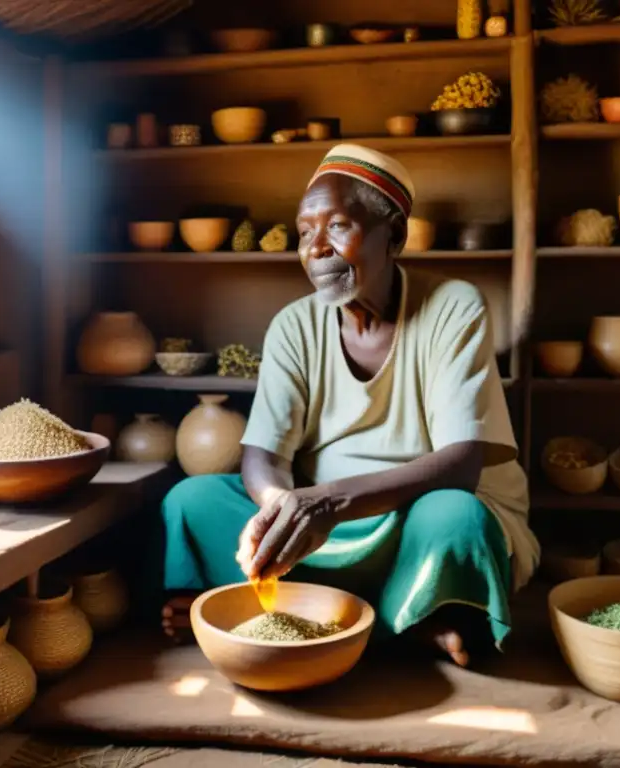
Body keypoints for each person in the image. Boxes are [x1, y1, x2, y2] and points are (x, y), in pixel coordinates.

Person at [160, 144, 539, 667]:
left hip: (413, 518)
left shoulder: (453, 306)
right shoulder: (293, 325)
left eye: (337, 226)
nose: (316, 248)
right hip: (321, 528)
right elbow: (262, 456)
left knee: (458, 518)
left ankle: (295, 616)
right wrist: (279, 511)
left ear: (395, 237)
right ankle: (409, 622)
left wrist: (328, 503)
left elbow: (462, 463)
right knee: (193, 498)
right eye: (304, 231)